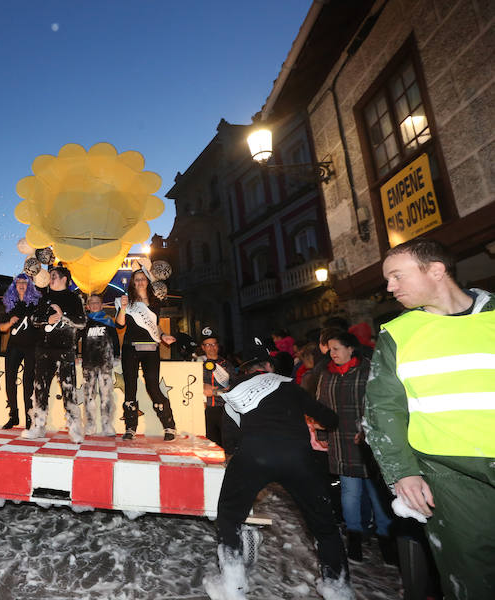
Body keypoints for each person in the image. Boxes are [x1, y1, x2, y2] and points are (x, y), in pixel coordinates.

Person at [364, 238, 494, 600]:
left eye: (397, 276)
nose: (390, 288)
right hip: (449, 476)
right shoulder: (398, 333)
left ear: (436, 270)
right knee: (471, 577)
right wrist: (402, 472)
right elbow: (382, 410)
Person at [206, 337, 351, 600]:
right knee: (323, 524)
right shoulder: (289, 386)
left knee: (229, 516)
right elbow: (329, 418)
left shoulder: (236, 390)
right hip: (298, 458)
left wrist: (236, 459)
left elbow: (231, 435)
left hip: (254, 456)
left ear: (246, 369)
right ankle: (337, 587)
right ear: (269, 366)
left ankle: (233, 585)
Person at [316, 331, 394, 563]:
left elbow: (378, 404)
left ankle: (386, 539)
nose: (333, 353)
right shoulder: (327, 374)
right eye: (330, 349)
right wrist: (321, 432)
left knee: (376, 493)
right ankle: (355, 539)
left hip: (367, 442)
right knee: (350, 493)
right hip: (340, 440)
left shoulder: (368, 371)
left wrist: (371, 431)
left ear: (351, 349)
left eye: (337, 348)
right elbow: (321, 405)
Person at [115, 268, 177, 441]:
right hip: (130, 348)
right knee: (130, 387)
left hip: (151, 349)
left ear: (147, 282)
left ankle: (169, 425)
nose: (140, 282)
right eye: (137, 279)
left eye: (143, 279)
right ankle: (130, 427)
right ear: (133, 283)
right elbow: (119, 326)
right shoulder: (126, 302)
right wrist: (123, 308)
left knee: (153, 386)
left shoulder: (155, 303)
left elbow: (155, 326)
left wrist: (163, 336)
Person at [26, 266, 87, 442]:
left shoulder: (74, 298)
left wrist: (63, 316)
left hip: (65, 350)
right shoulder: (44, 297)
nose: (49, 278)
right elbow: (33, 319)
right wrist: (47, 319)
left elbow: (82, 322)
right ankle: (38, 426)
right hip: (43, 350)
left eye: (53, 276)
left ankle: (75, 429)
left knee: (69, 389)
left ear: (64, 279)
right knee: (40, 389)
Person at [0, 273, 42, 429]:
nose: (22, 284)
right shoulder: (10, 303)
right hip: (14, 346)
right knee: (10, 380)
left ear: (29, 285)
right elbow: (2, 328)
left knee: (28, 382)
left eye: (25, 282)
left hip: (32, 346)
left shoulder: (36, 303)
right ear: (14, 286)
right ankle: (14, 415)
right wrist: (10, 322)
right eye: (19, 282)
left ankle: (29, 417)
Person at [80, 293, 120, 437]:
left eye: (97, 302)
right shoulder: (84, 322)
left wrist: (116, 356)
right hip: (88, 364)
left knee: (106, 395)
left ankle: (107, 425)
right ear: (88, 306)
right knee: (89, 395)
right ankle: (90, 425)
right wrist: (77, 356)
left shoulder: (108, 321)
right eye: (92, 303)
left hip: (105, 364)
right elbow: (76, 340)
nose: (95, 305)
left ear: (102, 305)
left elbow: (115, 340)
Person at [198, 326, 233, 448]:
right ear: (202, 347)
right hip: (203, 410)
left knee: (226, 445)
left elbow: (234, 387)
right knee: (208, 445)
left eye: (213, 344)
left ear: (218, 346)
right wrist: (201, 386)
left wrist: (215, 392)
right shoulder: (196, 364)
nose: (211, 348)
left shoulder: (227, 365)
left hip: (223, 410)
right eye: (207, 345)